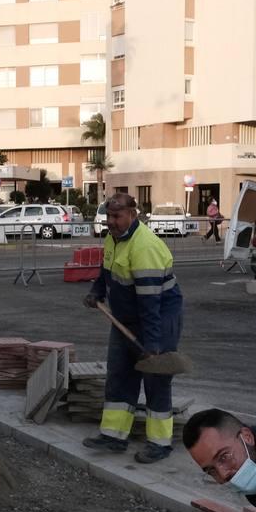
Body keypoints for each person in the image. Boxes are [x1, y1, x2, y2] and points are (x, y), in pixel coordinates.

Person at [82, 192, 183, 463]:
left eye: (117, 216)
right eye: (108, 216)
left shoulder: (144, 248)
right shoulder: (112, 238)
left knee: (155, 378)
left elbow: (150, 305)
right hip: (125, 317)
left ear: (132, 215)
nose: (111, 222)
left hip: (158, 318)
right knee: (120, 373)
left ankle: (160, 444)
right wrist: (96, 292)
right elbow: (106, 271)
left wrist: (152, 345)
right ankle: (114, 436)